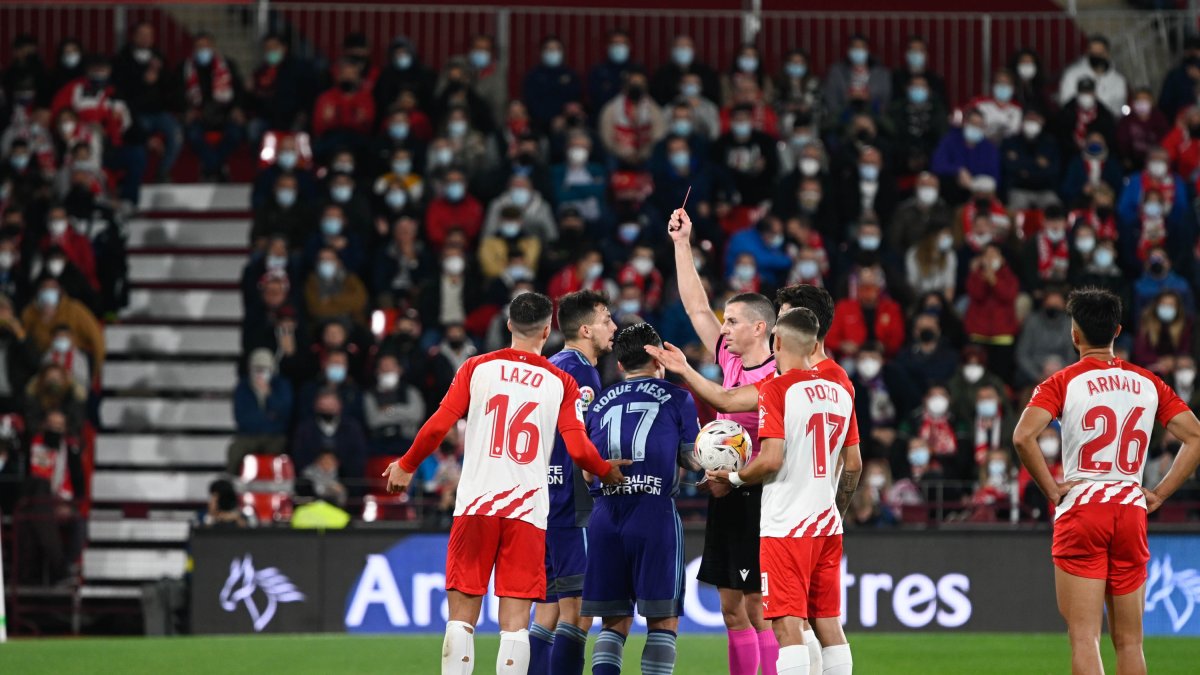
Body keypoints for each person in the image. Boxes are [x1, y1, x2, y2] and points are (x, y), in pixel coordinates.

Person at [381, 292, 627, 675]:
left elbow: (437, 427)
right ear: (548, 330)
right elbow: (579, 450)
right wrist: (606, 470)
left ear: (510, 325)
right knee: (514, 624)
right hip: (527, 514)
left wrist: (406, 464)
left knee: (461, 618)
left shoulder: (476, 367)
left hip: (477, 505)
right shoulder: (560, 381)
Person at [1013, 288, 1200, 675]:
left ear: (1074, 334)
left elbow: (1022, 436)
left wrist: (1051, 488)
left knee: (1084, 637)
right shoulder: (1149, 382)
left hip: (1083, 505)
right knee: (1130, 642)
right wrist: (1161, 492)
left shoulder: (1063, 381)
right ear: (1117, 331)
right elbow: (1196, 436)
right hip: (1130, 507)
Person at [707, 307, 861, 675]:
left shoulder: (776, 389)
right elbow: (853, 463)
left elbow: (770, 459)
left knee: (786, 623)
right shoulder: (841, 390)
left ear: (776, 341)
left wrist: (733, 479)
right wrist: (835, 512)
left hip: (787, 526)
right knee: (827, 623)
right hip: (827, 524)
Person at [667, 206, 780, 675]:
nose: (723, 327)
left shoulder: (778, 373)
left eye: (732, 321)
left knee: (759, 608)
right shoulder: (731, 355)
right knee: (731, 608)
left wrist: (686, 371)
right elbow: (696, 306)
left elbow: (732, 402)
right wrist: (681, 244)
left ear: (759, 328)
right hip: (725, 486)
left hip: (760, 490)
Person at [580, 322, 700, 675]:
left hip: (605, 513)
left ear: (620, 365)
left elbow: (588, 471)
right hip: (654, 513)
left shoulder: (600, 401)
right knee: (662, 621)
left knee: (613, 623)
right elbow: (693, 459)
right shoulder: (678, 396)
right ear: (657, 356)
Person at [528, 291, 616, 675]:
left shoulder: (548, 365)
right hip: (570, 502)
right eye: (606, 319)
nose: (613, 327)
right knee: (577, 612)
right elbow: (579, 441)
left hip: (543, 500)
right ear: (585, 329)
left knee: (547, 609)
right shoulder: (580, 372)